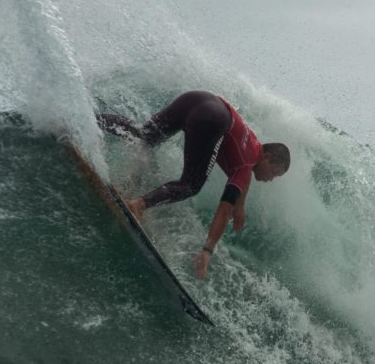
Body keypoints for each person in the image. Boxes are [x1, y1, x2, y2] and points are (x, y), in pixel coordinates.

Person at [97, 90, 290, 279]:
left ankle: (90, 119)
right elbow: (224, 210)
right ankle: (138, 205)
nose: (271, 178)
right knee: (191, 185)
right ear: (267, 156)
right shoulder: (246, 166)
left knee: (145, 135)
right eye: (274, 172)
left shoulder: (252, 142)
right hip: (213, 120)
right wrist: (207, 251)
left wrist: (240, 204)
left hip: (197, 99)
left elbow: (243, 177)